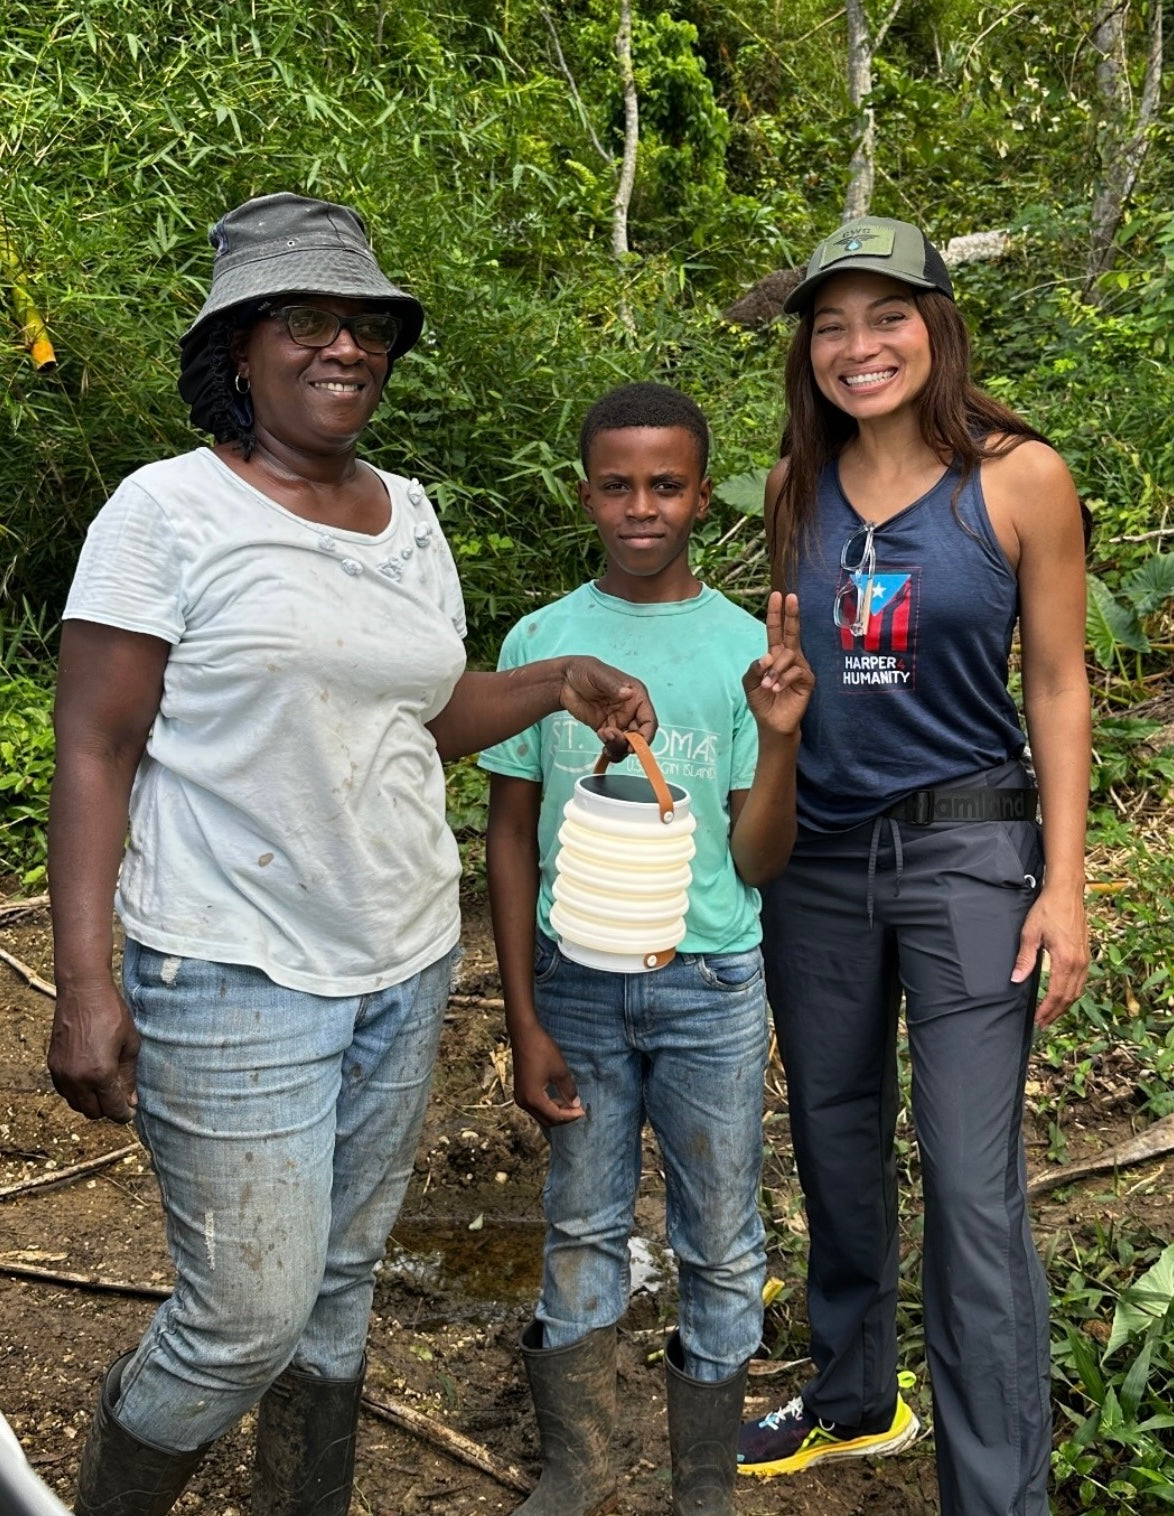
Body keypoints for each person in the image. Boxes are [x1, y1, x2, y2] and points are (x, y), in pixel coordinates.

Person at [46, 192, 658, 1516]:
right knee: (243, 1319)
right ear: (240, 347)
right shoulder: (167, 512)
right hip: (231, 968)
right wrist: (85, 984)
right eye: (305, 320)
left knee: (335, 1290)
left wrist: (552, 680)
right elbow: (95, 745)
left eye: (366, 326)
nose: (344, 347)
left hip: (402, 958)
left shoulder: (410, 514)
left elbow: (421, 717)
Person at [735, 218, 1090, 1516]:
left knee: (969, 1184)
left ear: (935, 327)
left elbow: (1056, 681)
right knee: (833, 1143)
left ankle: (996, 1496)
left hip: (969, 850)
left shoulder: (1018, 479)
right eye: (830, 324)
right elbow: (793, 681)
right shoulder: (794, 486)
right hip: (820, 863)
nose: (857, 345)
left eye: (886, 315)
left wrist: (1064, 882)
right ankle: (850, 1397)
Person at [480, 382, 814, 1516]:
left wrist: (778, 741)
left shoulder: (740, 650)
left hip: (709, 986)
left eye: (665, 486)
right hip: (574, 984)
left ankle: (702, 1483)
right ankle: (578, 1465)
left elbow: (758, 859)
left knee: (720, 1237)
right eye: (617, 486)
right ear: (586, 494)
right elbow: (510, 836)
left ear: (701, 496)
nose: (641, 508)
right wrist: (524, 1017)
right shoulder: (540, 644)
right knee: (581, 1221)